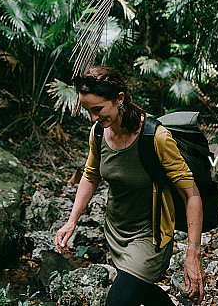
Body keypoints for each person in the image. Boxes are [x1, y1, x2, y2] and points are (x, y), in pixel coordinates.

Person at [54, 66, 206, 305]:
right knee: (138, 291)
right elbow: (91, 175)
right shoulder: (97, 133)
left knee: (118, 301)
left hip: (150, 236)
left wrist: (193, 253)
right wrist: (71, 221)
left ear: (119, 99)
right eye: (88, 111)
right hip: (116, 230)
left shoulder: (155, 137)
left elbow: (192, 194)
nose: (93, 118)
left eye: (98, 110)